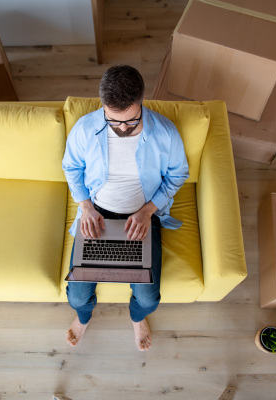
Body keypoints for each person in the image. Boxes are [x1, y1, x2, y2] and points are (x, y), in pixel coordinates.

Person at [62, 65, 189, 351]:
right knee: (77, 297)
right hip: (97, 213)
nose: (121, 129)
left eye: (131, 122)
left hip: (143, 215)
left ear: (142, 102)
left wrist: (147, 211)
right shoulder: (85, 128)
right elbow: (71, 167)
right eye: (113, 121)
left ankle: (137, 317)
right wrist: (86, 206)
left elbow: (178, 174)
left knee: (148, 299)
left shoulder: (165, 133)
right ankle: (83, 317)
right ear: (103, 107)